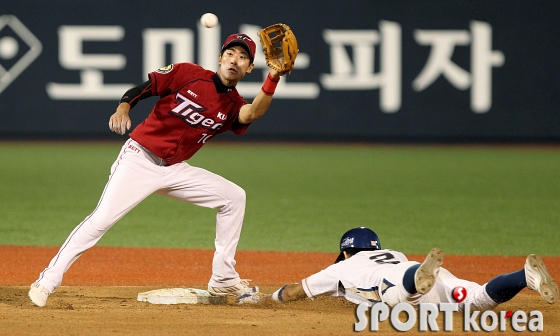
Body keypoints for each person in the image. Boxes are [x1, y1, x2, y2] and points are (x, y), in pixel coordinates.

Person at [29, 33, 288, 307]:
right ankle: (46, 281)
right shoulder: (187, 73)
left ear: (249, 68)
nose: (234, 61)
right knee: (101, 220)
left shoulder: (234, 104)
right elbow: (143, 88)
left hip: (175, 169)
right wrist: (123, 107)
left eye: (243, 57)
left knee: (234, 197)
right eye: (230, 54)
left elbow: (253, 113)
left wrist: (273, 77)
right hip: (139, 159)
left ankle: (223, 279)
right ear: (220, 58)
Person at [260, 227, 558, 311]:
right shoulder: (392, 252)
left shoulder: (340, 268)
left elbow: (296, 291)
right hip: (419, 269)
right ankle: (524, 276)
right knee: (476, 298)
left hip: (398, 282)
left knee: (402, 299)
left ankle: (415, 282)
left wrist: (270, 299)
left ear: (345, 251)